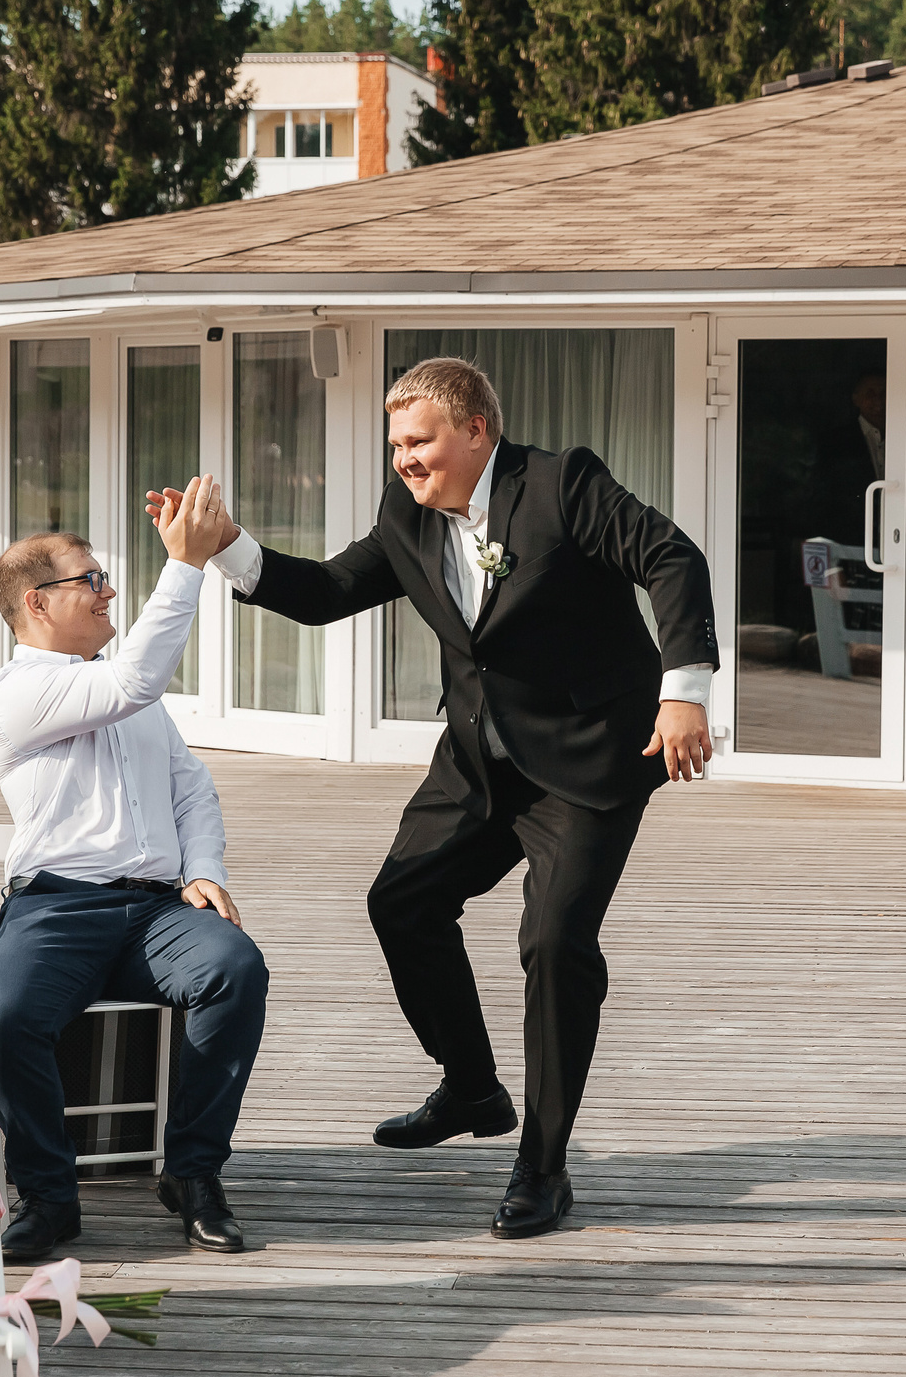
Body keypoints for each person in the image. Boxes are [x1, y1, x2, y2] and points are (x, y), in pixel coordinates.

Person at [189, 356, 718, 1240]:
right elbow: (326, 593)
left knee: (554, 943)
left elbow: (671, 556)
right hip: (478, 760)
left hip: (589, 760)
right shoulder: (409, 513)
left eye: (418, 440)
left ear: (476, 431)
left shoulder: (562, 484)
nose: (403, 457)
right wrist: (227, 547)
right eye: (395, 442)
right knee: (402, 900)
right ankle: (472, 1087)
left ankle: (543, 1169)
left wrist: (685, 689)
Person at [0, 479, 266, 1263]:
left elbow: (190, 785)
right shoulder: (14, 694)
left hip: (153, 910)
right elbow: (132, 678)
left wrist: (202, 865)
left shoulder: (127, 692)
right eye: (91, 580)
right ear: (37, 603)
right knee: (3, 1013)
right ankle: (47, 1192)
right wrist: (187, 564)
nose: (107, 591)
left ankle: (194, 1172)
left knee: (234, 965)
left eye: (105, 578)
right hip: (56, 907)